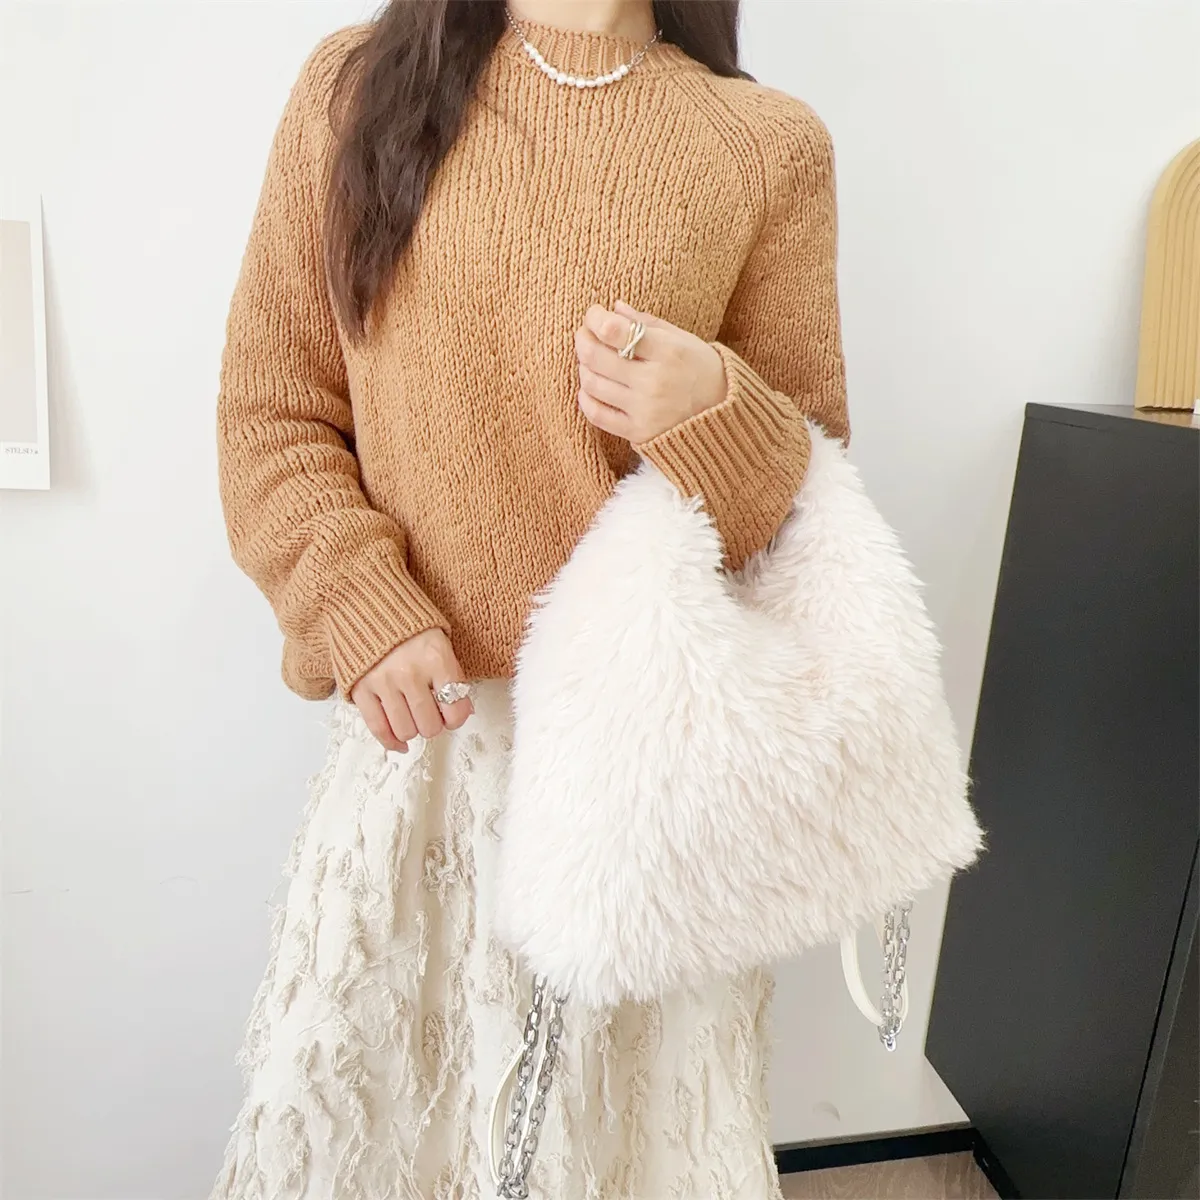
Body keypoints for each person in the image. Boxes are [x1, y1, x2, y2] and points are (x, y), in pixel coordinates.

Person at [212, 0, 848, 1195]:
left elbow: (809, 499)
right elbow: (274, 412)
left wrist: (715, 407)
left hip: (648, 775)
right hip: (425, 762)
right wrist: (361, 603)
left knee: (618, 1150)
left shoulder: (766, 144)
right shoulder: (355, 90)